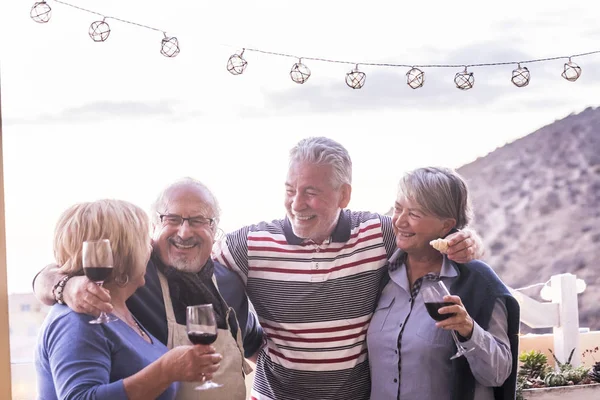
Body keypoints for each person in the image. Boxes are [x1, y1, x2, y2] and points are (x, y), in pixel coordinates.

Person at [212, 137, 486, 400]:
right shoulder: (248, 245)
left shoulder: (379, 235)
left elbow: (430, 237)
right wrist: (249, 347)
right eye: (290, 190)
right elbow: (200, 276)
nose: (296, 204)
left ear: (344, 195)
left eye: (311, 192)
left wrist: (471, 242)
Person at [33, 179, 259, 400]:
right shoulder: (120, 286)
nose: (184, 232)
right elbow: (59, 271)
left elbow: (256, 346)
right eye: (172, 219)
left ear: (214, 227)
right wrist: (64, 286)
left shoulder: (230, 283)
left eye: (198, 220)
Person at [366, 167, 519, 400]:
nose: (400, 221)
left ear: (446, 225)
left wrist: (469, 329)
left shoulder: (478, 282)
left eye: (414, 214)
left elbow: (498, 374)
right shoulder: (379, 272)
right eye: (398, 209)